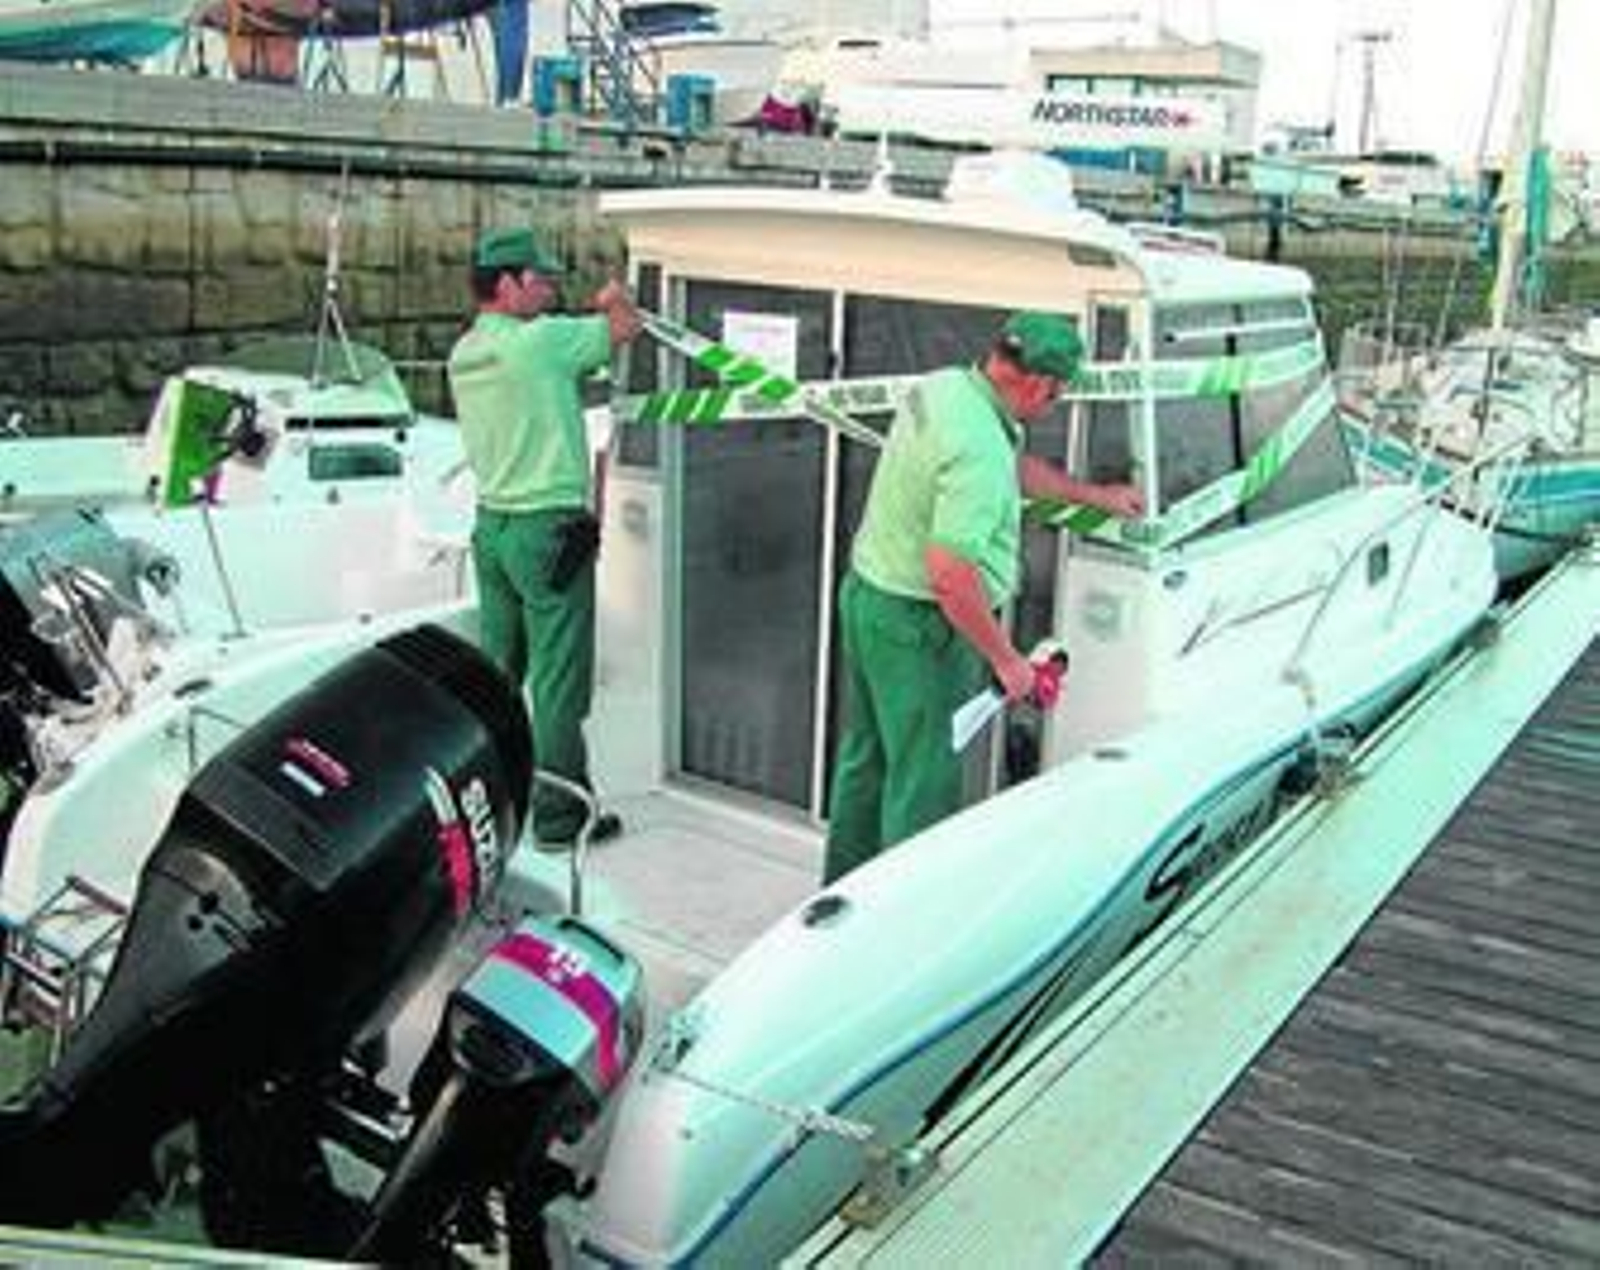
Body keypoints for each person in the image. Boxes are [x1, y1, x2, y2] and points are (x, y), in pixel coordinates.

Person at [822, 311, 1144, 885]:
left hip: (868, 598)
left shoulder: (947, 389)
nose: (1052, 405)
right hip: (918, 628)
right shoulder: (977, 447)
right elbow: (950, 574)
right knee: (923, 781)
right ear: (1040, 384)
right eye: (1057, 395)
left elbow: (1011, 468)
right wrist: (1007, 661)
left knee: (866, 760)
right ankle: (904, 923)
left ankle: (843, 891)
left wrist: (1096, 496)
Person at [448, 226, 641, 849]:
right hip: (545, 532)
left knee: (499, 676)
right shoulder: (539, 344)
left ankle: (495, 804)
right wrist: (614, 296)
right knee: (559, 680)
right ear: (506, 285)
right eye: (540, 280)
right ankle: (561, 820)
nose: (551, 290)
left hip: (493, 528)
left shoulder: (465, 353)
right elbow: (623, 329)